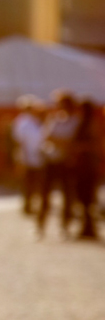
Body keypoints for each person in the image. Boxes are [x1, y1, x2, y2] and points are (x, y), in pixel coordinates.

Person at [37, 91, 81, 238]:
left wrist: (59, 141)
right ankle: (40, 226)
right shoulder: (54, 119)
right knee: (44, 195)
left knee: (67, 196)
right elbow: (47, 137)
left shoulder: (75, 121)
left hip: (65, 162)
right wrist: (63, 142)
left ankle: (65, 226)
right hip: (51, 161)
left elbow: (73, 142)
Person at [71, 99, 103, 239]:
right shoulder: (82, 124)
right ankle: (87, 226)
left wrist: (80, 148)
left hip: (88, 166)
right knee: (83, 197)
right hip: (82, 165)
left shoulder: (91, 124)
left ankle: (89, 227)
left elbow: (95, 145)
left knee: (87, 198)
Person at [11, 94, 45, 215]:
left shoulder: (36, 121)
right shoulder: (22, 121)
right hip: (27, 158)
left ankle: (33, 204)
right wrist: (22, 159)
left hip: (37, 158)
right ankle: (27, 206)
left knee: (36, 183)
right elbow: (20, 142)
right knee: (27, 184)